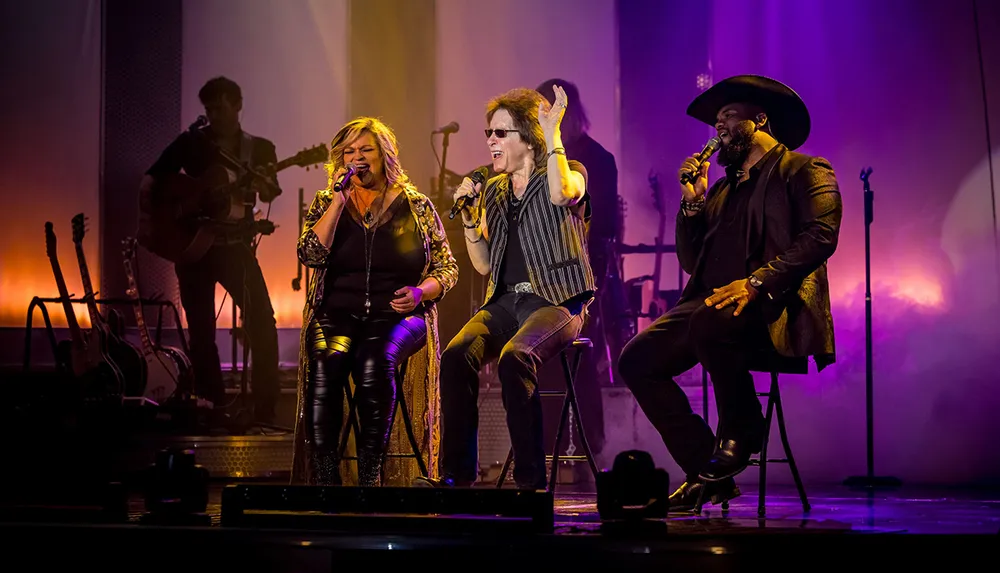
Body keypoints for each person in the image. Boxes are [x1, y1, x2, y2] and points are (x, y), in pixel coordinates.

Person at [616, 75, 843, 511]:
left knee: (709, 320)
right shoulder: (720, 189)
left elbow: (821, 236)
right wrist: (693, 203)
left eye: (728, 116)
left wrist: (756, 282)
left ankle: (741, 430)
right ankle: (707, 470)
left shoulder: (803, 169)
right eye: (716, 120)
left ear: (760, 120)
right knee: (636, 359)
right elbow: (691, 260)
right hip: (711, 310)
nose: (718, 127)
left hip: (770, 308)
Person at [416, 85, 594, 490]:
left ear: (528, 140)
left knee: (516, 356)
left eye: (501, 133)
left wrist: (553, 134)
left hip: (558, 299)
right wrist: (466, 217)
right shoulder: (495, 190)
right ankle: (457, 476)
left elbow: (562, 193)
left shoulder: (571, 171)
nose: (491, 141)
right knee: (456, 355)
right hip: (506, 301)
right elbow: (481, 263)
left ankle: (530, 480)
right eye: (488, 134)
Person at [291, 117, 459, 487]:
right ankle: (326, 479)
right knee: (327, 361)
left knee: (373, 362)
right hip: (337, 313)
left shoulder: (416, 205)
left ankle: (370, 475)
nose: (357, 158)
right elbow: (310, 254)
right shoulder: (327, 202)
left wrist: (420, 292)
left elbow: (447, 268)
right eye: (349, 151)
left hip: (397, 315)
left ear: (384, 155)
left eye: (366, 149)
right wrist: (337, 204)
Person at [138, 76, 282, 424]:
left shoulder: (259, 149)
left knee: (262, 323)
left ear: (237, 105)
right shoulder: (192, 143)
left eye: (219, 108)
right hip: (195, 250)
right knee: (201, 333)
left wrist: (265, 184)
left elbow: (270, 193)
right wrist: (152, 221)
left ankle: (264, 410)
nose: (214, 115)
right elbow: (152, 179)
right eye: (209, 109)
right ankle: (212, 408)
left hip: (235, 247)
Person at [536, 78, 622, 459]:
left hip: (584, 265)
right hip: (543, 269)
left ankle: (592, 444)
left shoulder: (596, 159)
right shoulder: (536, 159)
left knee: (580, 354)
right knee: (543, 354)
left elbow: (601, 223)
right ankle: (548, 442)